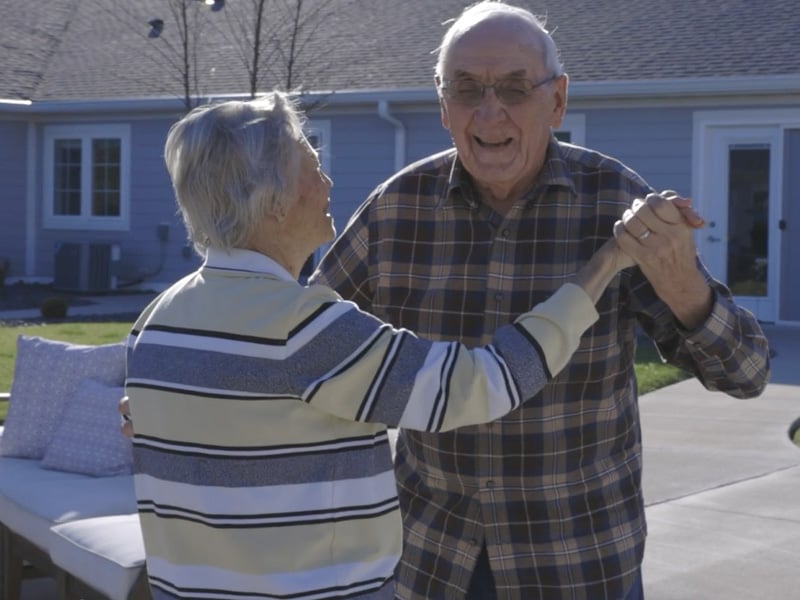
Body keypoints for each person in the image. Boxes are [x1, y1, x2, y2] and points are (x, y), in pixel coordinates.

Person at [310, 2, 770, 599]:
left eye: (514, 88)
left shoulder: (614, 204)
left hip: (578, 562)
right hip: (432, 560)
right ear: (443, 106)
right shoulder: (396, 210)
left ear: (557, 100)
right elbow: (306, 345)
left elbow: (746, 373)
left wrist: (682, 281)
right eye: (466, 89)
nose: (490, 111)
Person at [123, 93, 647, 599]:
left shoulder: (157, 322)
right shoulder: (304, 330)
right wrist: (601, 269)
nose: (328, 182)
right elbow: (483, 383)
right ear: (275, 201)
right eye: (312, 166)